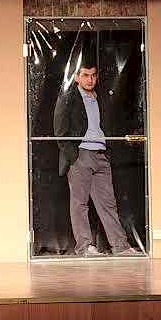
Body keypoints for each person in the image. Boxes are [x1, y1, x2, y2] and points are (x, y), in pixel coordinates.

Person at [53, 62, 139, 257]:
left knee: (108, 203)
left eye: (93, 75)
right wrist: (73, 156)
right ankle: (84, 247)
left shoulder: (101, 98)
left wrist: (107, 151)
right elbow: (59, 130)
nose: (90, 79)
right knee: (80, 204)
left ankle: (120, 246)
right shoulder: (68, 98)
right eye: (85, 75)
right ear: (77, 77)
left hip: (101, 154)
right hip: (81, 155)